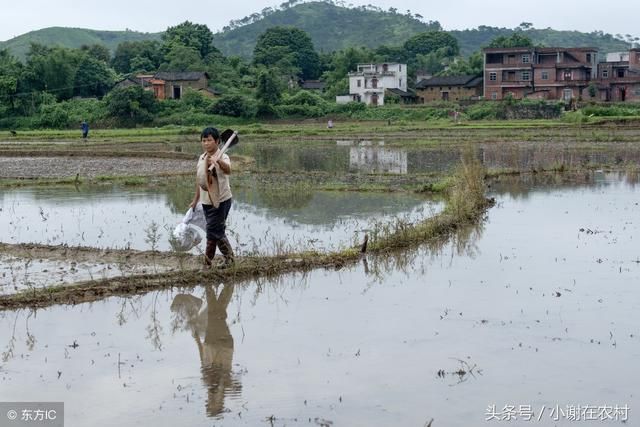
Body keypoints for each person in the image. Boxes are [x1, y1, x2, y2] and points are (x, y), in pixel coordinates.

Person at [190, 127, 234, 268]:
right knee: (217, 231)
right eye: (203, 140)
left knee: (212, 232)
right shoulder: (202, 158)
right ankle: (230, 260)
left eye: (209, 140)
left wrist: (218, 162)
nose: (206, 143)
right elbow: (200, 180)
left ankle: (207, 265)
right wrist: (195, 200)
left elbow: (228, 170)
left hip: (221, 200)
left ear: (217, 141)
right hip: (206, 201)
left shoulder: (222, 156)